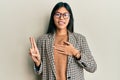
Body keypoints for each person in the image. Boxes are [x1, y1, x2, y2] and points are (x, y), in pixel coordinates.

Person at [29, 2, 97, 80]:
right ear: (53, 17)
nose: (61, 18)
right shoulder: (42, 40)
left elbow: (92, 67)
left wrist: (75, 53)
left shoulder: (80, 39)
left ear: (70, 17)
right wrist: (37, 63)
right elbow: (39, 72)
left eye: (65, 15)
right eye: (58, 14)